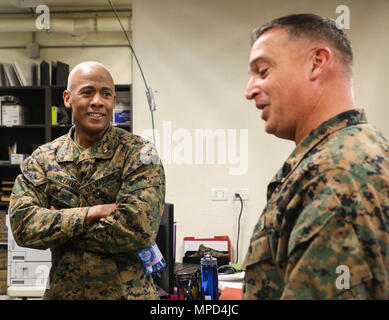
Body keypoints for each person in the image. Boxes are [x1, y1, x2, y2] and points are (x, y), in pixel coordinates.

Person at [242, 14, 388, 299]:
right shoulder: (347, 155)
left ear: (317, 62)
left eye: (263, 71)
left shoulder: (335, 176)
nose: (249, 91)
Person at [9, 61, 166, 300]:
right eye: (87, 92)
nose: (97, 101)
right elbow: (23, 227)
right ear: (67, 98)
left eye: (106, 94)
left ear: (113, 99)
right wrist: (95, 212)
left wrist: (59, 222)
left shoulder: (139, 154)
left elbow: (138, 229)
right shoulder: (43, 158)